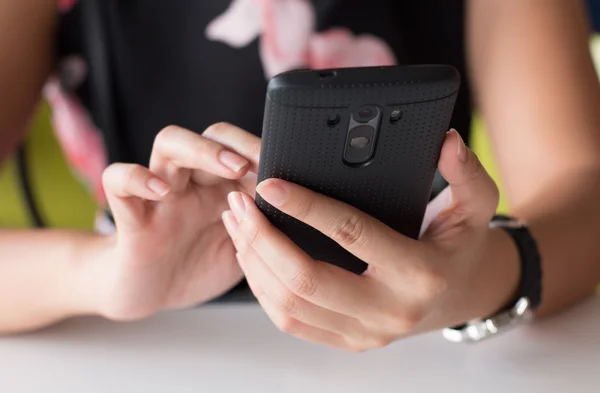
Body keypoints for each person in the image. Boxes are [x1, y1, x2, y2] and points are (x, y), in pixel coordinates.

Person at [0, 0, 599, 350]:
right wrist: (104, 273)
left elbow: (586, 192)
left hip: (419, 353)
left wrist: (478, 282)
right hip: (148, 347)